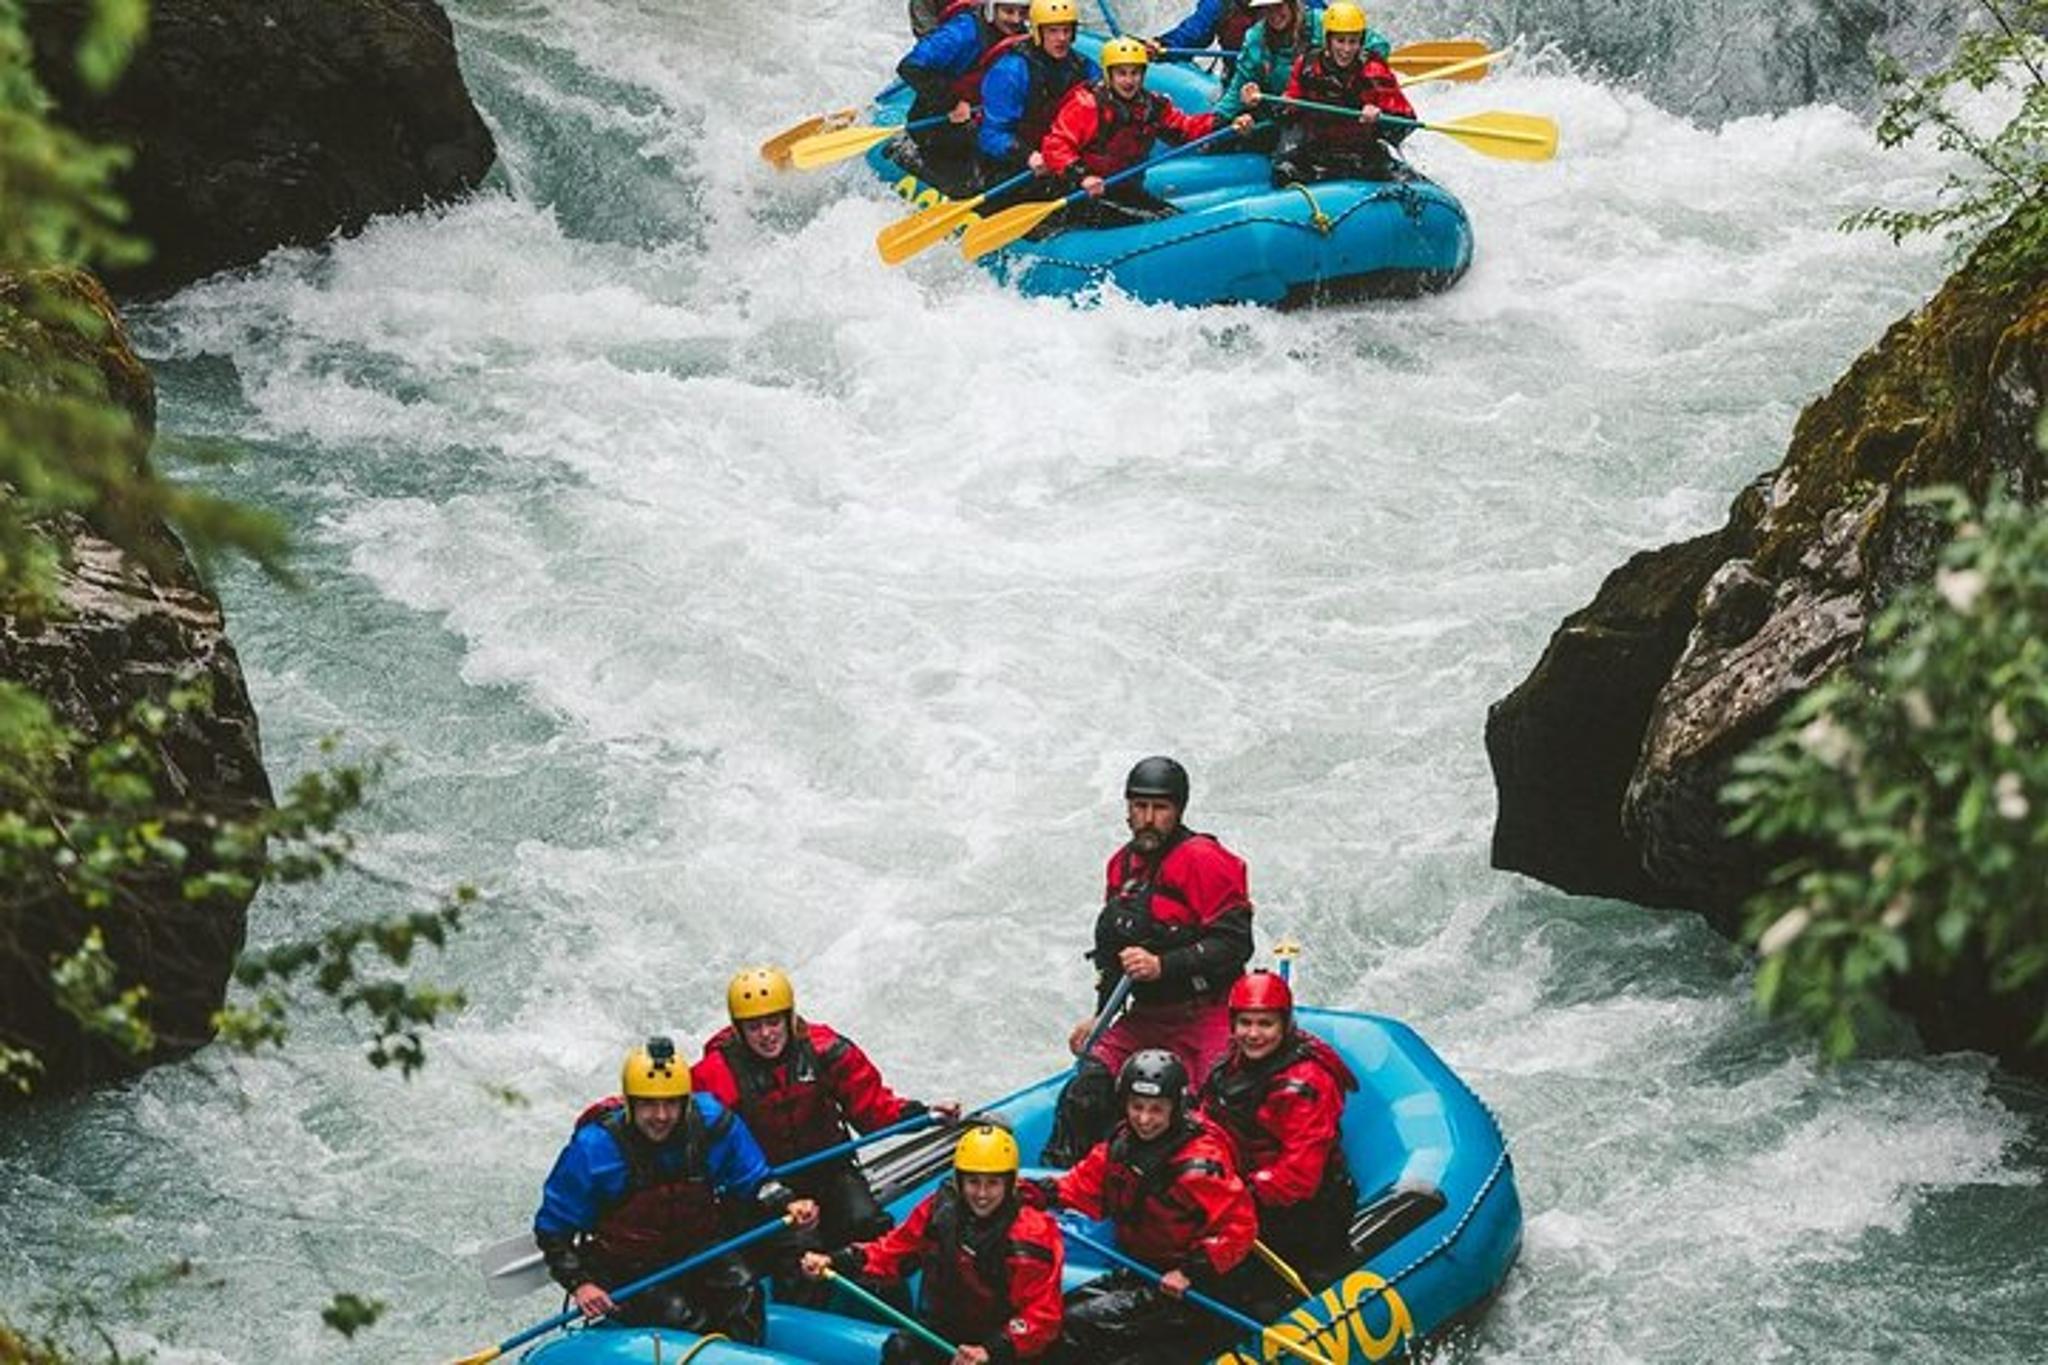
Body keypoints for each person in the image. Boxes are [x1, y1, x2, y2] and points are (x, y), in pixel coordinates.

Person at [693, 967, 960, 1302]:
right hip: (763, 1186)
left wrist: (924, 1115)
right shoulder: (715, 1075)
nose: (766, 1034)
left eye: (773, 1022)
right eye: (754, 1026)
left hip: (829, 1169)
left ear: (789, 1018)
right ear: (738, 1029)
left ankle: (894, 1311)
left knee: (866, 1223)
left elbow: (873, 1107)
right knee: (797, 1250)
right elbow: (697, 1141)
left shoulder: (825, 1050)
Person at [533, 1035, 820, 1341]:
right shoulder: (595, 1149)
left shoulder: (712, 1123)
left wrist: (786, 1203)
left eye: (671, 1103)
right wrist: (580, 1283)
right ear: (629, 1103)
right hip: (628, 1265)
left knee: (745, 1294)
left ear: (686, 1101)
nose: (661, 1116)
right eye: (648, 1104)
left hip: (697, 1246)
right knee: (679, 1316)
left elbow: (754, 1180)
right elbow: (553, 1229)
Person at [1042, 755, 1252, 1167]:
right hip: (1148, 1016)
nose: (1148, 818)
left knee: (1220, 1107)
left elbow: (1235, 944)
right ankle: (1068, 1190)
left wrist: (1163, 965)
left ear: (1178, 811)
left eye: (1160, 809)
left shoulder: (1204, 859)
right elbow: (1113, 960)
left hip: (1206, 1011)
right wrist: (1099, 1018)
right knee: (1086, 1090)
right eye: (1139, 807)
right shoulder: (1121, 866)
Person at [1033, 1050, 1258, 1363]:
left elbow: (1240, 1228)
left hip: (1193, 1288)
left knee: (1078, 1324)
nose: (1144, 1119)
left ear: (1175, 1108)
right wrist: (1033, 1194)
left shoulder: (1199, 1166)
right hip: (1142, 1270)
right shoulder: (1121, 1144)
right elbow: (1079, 1187)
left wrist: (1190, 1271)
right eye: (1137, 1107)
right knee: (1059, 1316)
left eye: (1156, 1109)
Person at [800, 1124, 1065, 1364]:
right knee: (901, 1349)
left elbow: (1042, 1316)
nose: (982, 1194)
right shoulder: (939, 1210)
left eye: (993, 1184)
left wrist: (990, 1351)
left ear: (1009, 1184)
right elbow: (891, 1251)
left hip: (1003, 1344)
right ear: (960, 1181)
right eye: (973, 1182)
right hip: (948, 1329)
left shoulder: (1032, 1236)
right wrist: (835, 1260)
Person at [1194, 970, 1359, 1282]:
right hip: (1246, 1190)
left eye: (1265, 1024)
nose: (1253, 1034)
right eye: (1245, 1023)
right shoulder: (1232, 1064)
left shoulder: (1306, 1082)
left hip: (1305, 1211)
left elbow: (1300, 1175)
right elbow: (1209, 1121)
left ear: (1284, 1025)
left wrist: (1239, 1197)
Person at [1037, 39, 1253, 227]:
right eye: (1122, 73)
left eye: (1135, 73)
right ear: (1108, 74)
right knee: (1152, 221)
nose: (1129, 81)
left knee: (1170, 217)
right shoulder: (1088, 105)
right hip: (1083, 194)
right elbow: (1055, 145)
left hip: (1124, 188)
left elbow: (1185, 128)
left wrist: (1226, 123)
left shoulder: (1152, 106)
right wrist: (1083, 177)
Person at [1245, 2, 1414, 185]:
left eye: (1353, 41)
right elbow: (1286, 114)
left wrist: (1381, 117)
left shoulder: (1374, 71)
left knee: (1408, 184)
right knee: (1283, 172)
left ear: (1361, 42)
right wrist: (1260, 101)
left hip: (1363, 153)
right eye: (1340, 41)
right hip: (1318, 152)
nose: (1347, 49)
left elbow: (1406, 122)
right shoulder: (1307, 66)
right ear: (1328, 41)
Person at [1214, 0, 1391, 154]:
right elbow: (1238, 88)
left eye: (1278, 6)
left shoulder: (1323, 24)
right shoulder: (1255, 38)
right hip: (1287, 113)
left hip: (1336, 111)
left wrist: (1344, 75)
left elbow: (1380, 46)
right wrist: (1217, 120)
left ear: (1292, 3)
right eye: (1267, 8)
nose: (1274, 14)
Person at [896, 0, 1032, 194]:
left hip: (982, 122)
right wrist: (952, 103)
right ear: (993, 9)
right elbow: (910, 67)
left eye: (1022, 12)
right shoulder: (964, 31)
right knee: (970, 185)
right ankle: (905, 156)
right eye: (1008, 11)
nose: (1016, 19)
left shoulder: (1024, 37)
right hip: (938, 123)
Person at [976, 0, 1098, 193]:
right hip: (1012, 163)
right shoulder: (1010, 70)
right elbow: (991, 135)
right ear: (1038, 33)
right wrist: (1028, 156)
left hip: (1061, 157)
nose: (1061, 38)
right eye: (1053, 31)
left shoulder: (1085, 67)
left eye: (1067, 31)